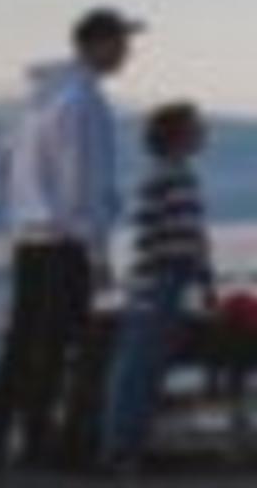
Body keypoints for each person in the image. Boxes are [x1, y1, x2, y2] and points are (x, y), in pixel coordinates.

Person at [0, 7, 137, 474]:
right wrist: (96, 252)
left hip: (29, 240)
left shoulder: (38, 100)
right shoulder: (83, 102)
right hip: (64, 243)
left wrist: (26, 208)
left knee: (20, 345)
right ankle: (42, 451)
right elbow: (82, 184)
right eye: (120, 42)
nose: (126, 52)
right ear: (96, 45)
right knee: (60, 351)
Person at [97, 103, 215, 474]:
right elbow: (184, 238)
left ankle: (121, 447)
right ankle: (121, 451)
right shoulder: (174, 176)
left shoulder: (162, 174)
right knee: (141, 368)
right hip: (164, 279)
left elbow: (174, 233)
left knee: (138, 367)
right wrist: (202, 276)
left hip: (153, 279)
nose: (204, 132)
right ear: (179, 134)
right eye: (197, 126)